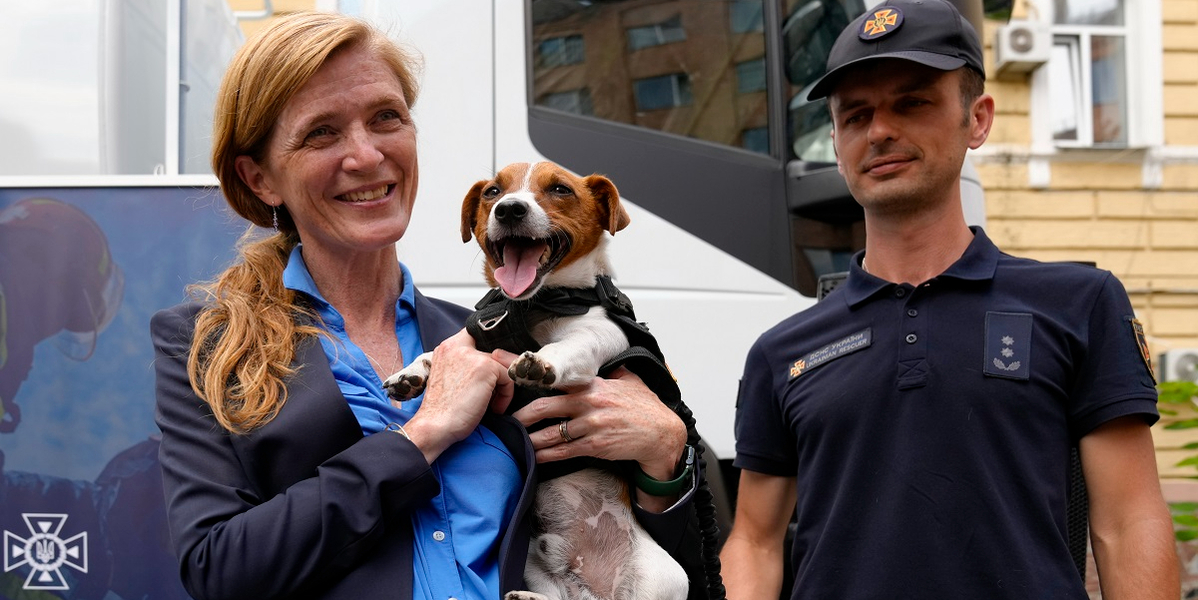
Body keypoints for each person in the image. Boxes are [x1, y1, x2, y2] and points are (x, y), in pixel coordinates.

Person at [151, 11, 701, 600]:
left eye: (386, 118)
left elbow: (659, 562)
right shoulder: (206, 343)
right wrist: (423, 434)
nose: (365, 156)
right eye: (322, 133)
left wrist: (663, 460)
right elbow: (219, 572)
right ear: (260, 179)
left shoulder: (492, 335)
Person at [718, 0, 1180, 598]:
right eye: (855, 115)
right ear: (835, 142)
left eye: (913, 102)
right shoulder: (781, 352)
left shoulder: (1080, 304)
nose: (880, 130)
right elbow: (754, 541)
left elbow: (1128, 521)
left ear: (978, 119)